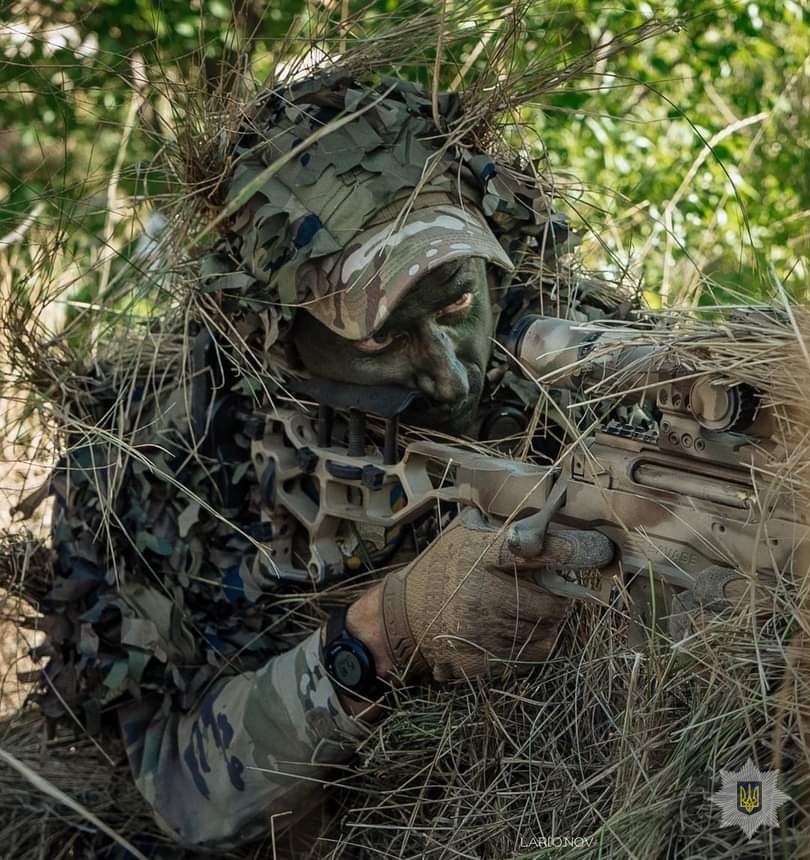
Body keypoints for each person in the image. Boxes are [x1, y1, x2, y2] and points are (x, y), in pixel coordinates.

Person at [37, 71, 627, 850]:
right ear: (273, 339)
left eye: (456, 304)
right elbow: (184, 793)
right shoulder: (149, 471)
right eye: (379, 338)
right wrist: (388, 632)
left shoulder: (586, 359)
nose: (450, 373)